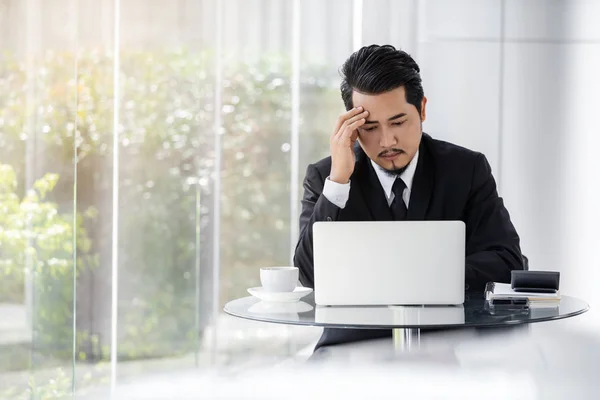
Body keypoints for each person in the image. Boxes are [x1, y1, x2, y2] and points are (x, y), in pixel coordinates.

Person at [293, 44, 524, 351]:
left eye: (398, 122)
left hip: (442, 346)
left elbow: (507, 261)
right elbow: (308, 275)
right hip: (349, 351)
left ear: (423, 109)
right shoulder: (326, 177)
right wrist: (338, 180)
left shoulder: (465, 169)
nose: (387, 141)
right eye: (370, 127)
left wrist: (416, 276)